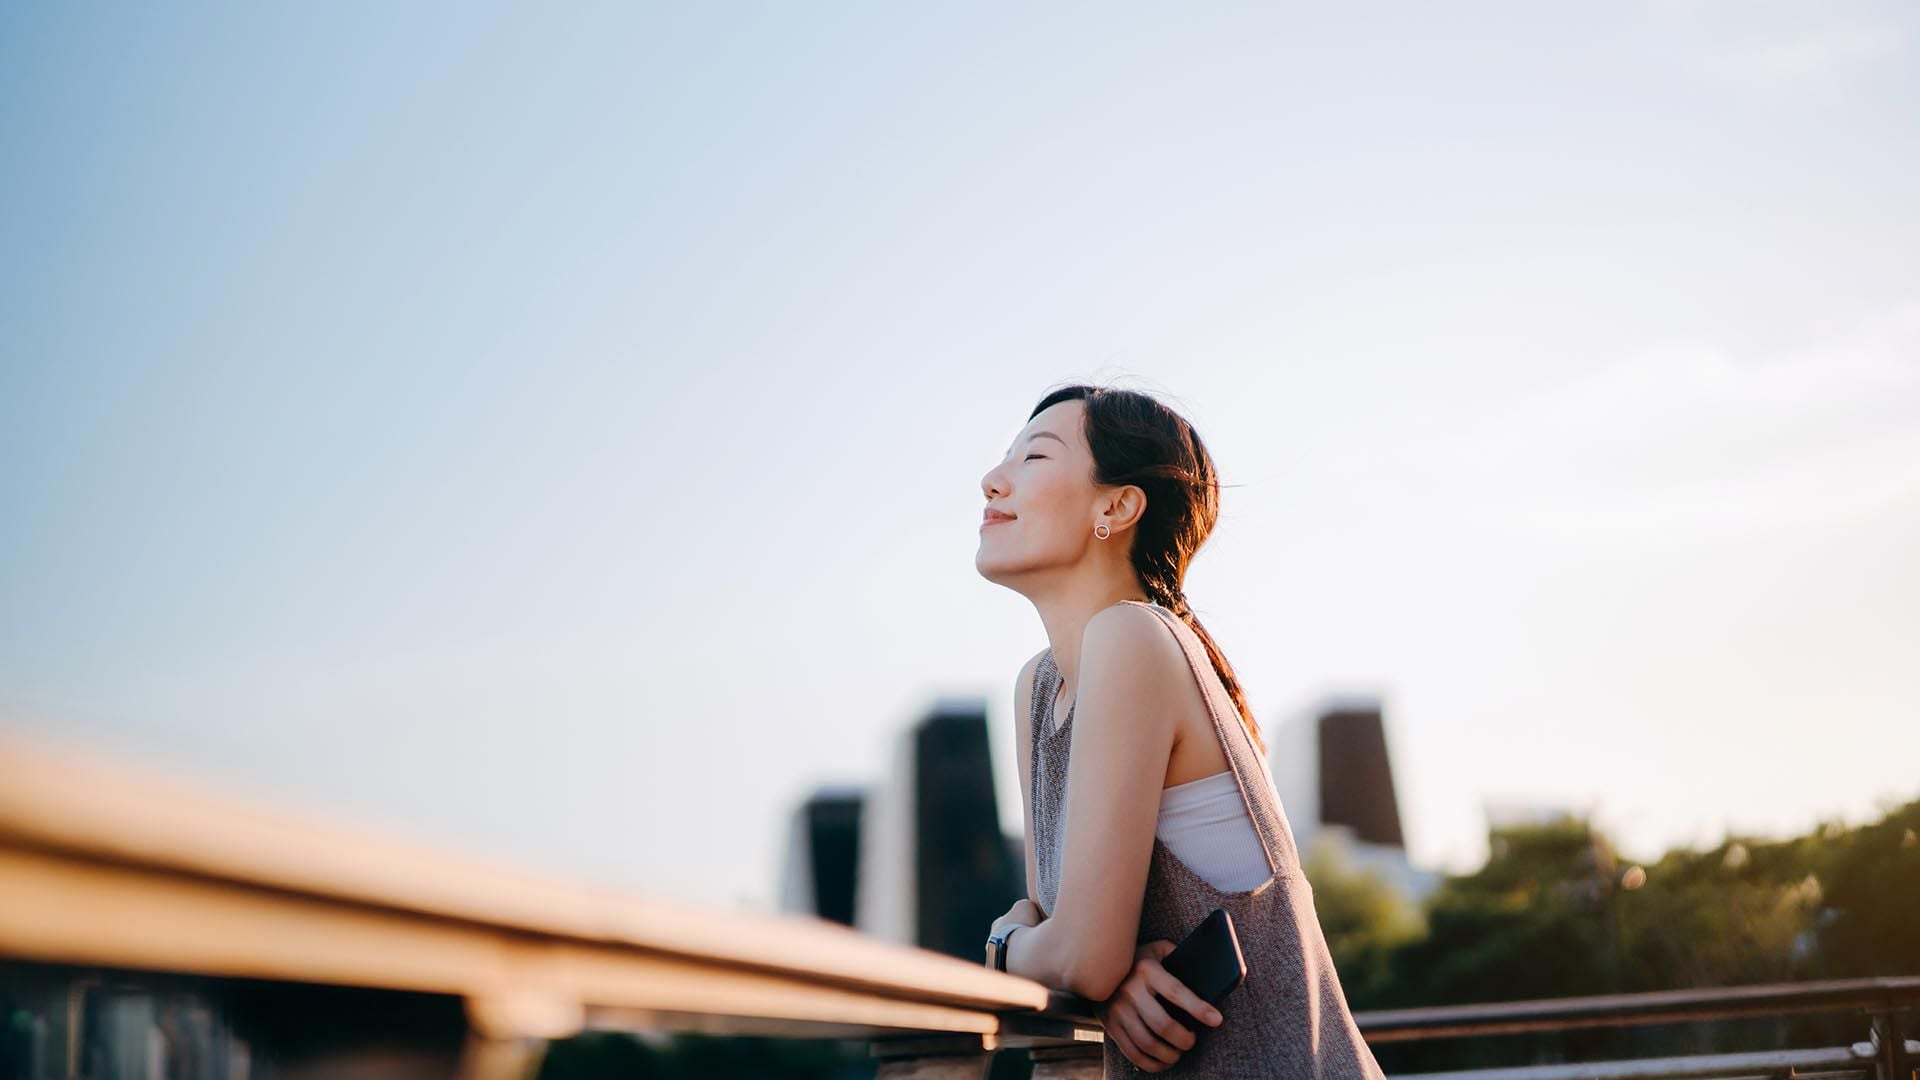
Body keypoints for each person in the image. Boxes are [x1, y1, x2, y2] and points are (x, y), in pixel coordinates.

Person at [975, 384, 1385, 1078]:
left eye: (1034, 456)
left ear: (1116, 506)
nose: (993, 479)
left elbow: (1073, 952)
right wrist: (1097, 970)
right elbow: (1065, 932)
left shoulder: (1133, 637)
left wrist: (1002, 943)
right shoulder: (1039, 689)